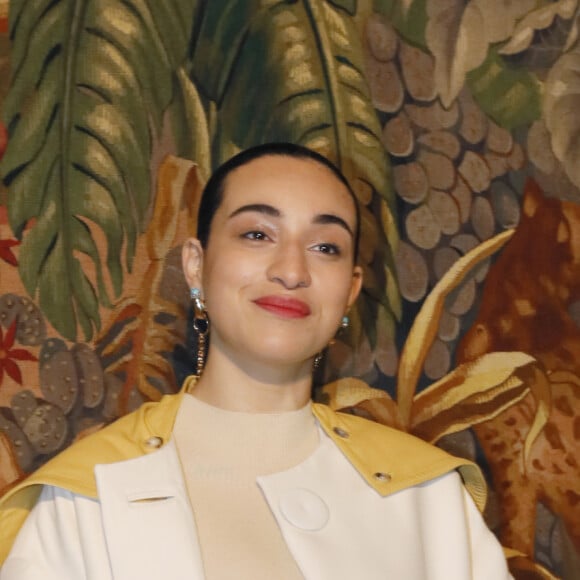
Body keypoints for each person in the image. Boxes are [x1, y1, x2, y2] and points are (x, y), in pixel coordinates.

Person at [0, 143, 512, 579]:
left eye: (325, 246)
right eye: (257, 234)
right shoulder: (84, 497)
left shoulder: (427, 495)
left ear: (351, 290)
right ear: (196, 266)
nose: (292, 270)